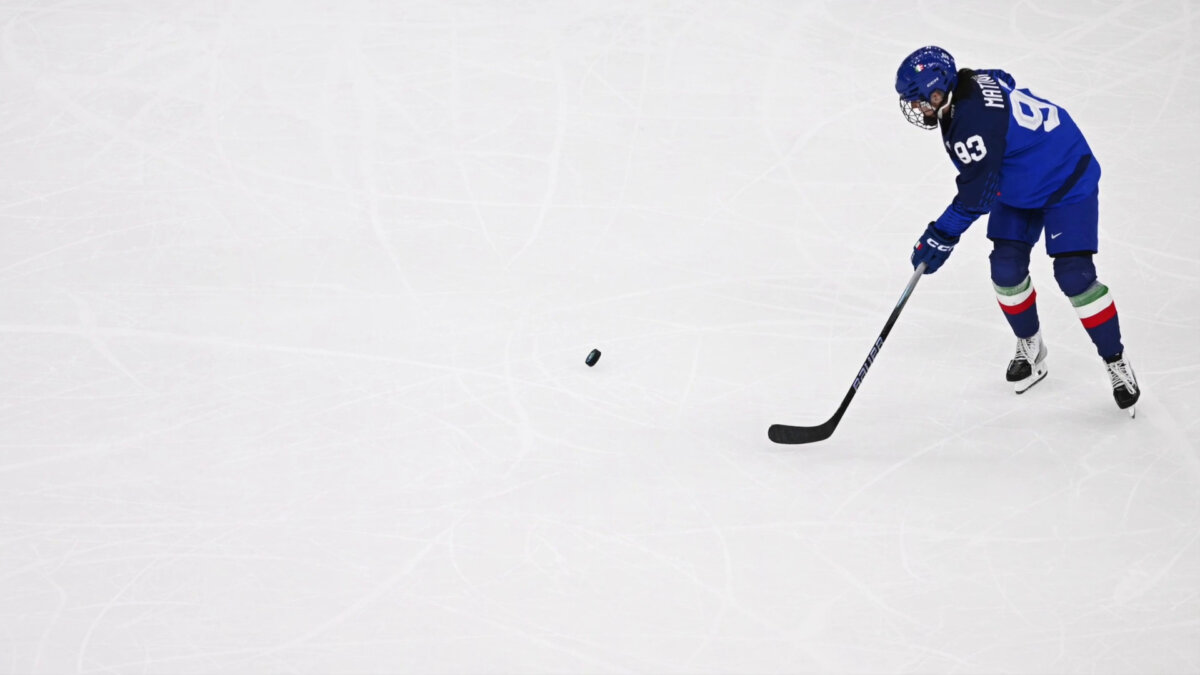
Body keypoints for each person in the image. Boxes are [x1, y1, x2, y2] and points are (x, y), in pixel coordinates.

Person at [894, 46, 1140, 414]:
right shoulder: (968, 81)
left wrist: (940, 236)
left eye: (919, 100)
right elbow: (1003, 79)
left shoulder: (972, 122)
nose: (916, 108)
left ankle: (1115, 359)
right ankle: (1031, 345)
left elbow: (977, 197)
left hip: (1066, 178)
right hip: (1018, 184)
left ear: (938, 90)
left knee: (1074, 275)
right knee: (1005, 270)